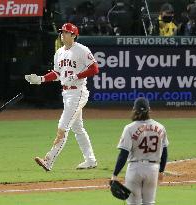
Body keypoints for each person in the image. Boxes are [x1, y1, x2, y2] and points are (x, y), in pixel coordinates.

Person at [25, 23, 99, 171]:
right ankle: (91, 160)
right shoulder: (59, 52)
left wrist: (77, 75)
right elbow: (57, 74)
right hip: (66, 93)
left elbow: (94, 68)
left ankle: (49, 160)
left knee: (62, 128)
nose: (62, 35)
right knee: (78, 128)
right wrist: (40, 79)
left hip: (78, 92)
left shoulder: (82, 50)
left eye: (66, 32)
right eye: (62, 32)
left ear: (73, 35)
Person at [110, 97, 169, 205]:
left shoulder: (129, 128)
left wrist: (115, 174)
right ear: (149, 109)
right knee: (149, 203)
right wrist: (161, 171)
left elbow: (123, 154)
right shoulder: (160, 127)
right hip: (153, 170)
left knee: (133, 203)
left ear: (134, 109)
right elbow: (165, 153)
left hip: (135, 169)